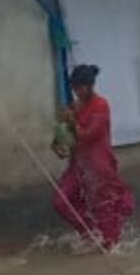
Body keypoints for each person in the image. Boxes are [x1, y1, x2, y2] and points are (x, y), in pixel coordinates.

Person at [50, 63, 134, 248]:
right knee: (61, 202)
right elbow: (62, 139)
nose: (76, 91)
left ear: (90, 86)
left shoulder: (101, 105)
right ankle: (89, 233)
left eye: (80, 87)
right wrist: (59, 144)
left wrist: (73, 122)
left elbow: (90, 134)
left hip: (99, 167)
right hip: (78, 166)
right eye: (74, 87)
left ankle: (110, 246)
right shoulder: (73, 107)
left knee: (104, 209)